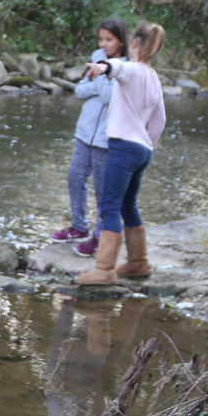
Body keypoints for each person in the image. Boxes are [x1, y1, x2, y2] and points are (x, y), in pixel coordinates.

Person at [76, 21, 168, 286]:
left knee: (110, 205)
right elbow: (160, 121)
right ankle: (139, 263)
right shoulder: (153, 77)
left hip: (124, 147)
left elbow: (117, 67)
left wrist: (102, 66)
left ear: (135, 44)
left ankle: (104, 270)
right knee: (129, 204)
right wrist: (146, 143)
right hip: (141, 150)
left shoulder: (134, 70)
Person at [52, 18, 128, 254]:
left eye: (109, 39)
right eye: (101, 39)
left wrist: (102, 74)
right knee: (74, 177)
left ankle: (99, 237)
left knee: (103, 189)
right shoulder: (97, 59)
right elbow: (80, 91)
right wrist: (98, 79)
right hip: (84, 133)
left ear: (121, 42)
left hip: (106, 139)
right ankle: (79, 227)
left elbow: (108, 97)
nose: (103, 44)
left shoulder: (125, 68)